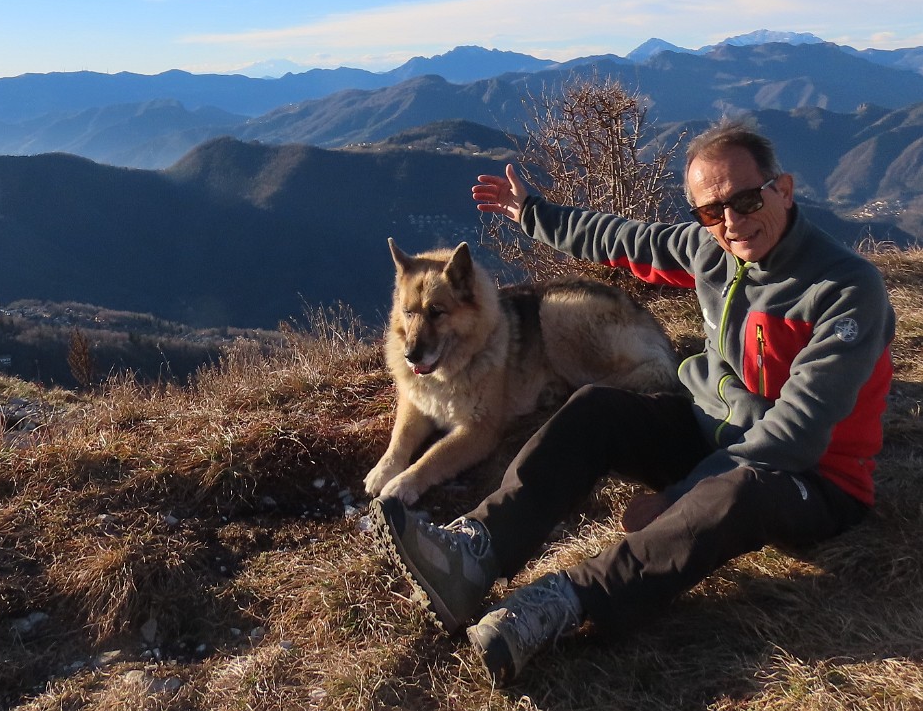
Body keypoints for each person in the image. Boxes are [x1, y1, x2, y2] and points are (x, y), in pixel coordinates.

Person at [369, 118, 895, 685]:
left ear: (784, 189)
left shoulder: (845, 290)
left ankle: (567, 603)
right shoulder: (712, 249)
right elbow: (624, 239)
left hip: (813, 479)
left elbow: (797, 433)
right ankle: (475, 551)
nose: (732, 222)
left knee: (737, 490)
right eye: (711, 212)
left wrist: (678, 495)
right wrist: (532, 212)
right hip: (715, 431)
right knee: (596, 407)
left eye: (745, 200)